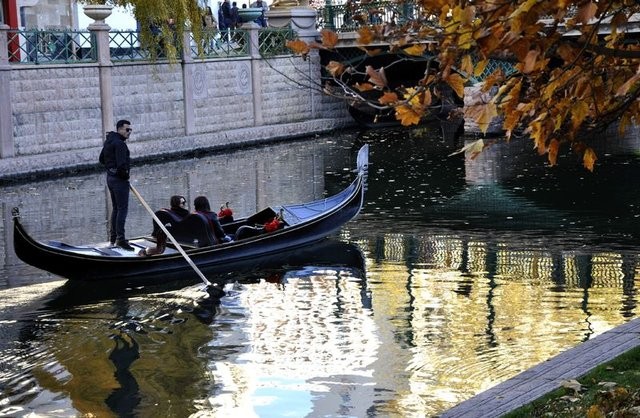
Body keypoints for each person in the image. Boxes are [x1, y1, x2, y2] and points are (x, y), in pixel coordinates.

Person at [99, 119, 134, 251]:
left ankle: (113, 239)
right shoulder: (120, 144)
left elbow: (101, 159)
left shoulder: (109, 141)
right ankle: (121, 239)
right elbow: (121, 165)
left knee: (116, 209)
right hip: (119, 180)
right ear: (119, 129)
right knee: (122, 209)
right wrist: (125, 177)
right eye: (127, 129)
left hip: (110, 178)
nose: (129, 132)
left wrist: (111, 168)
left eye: (130, 130)